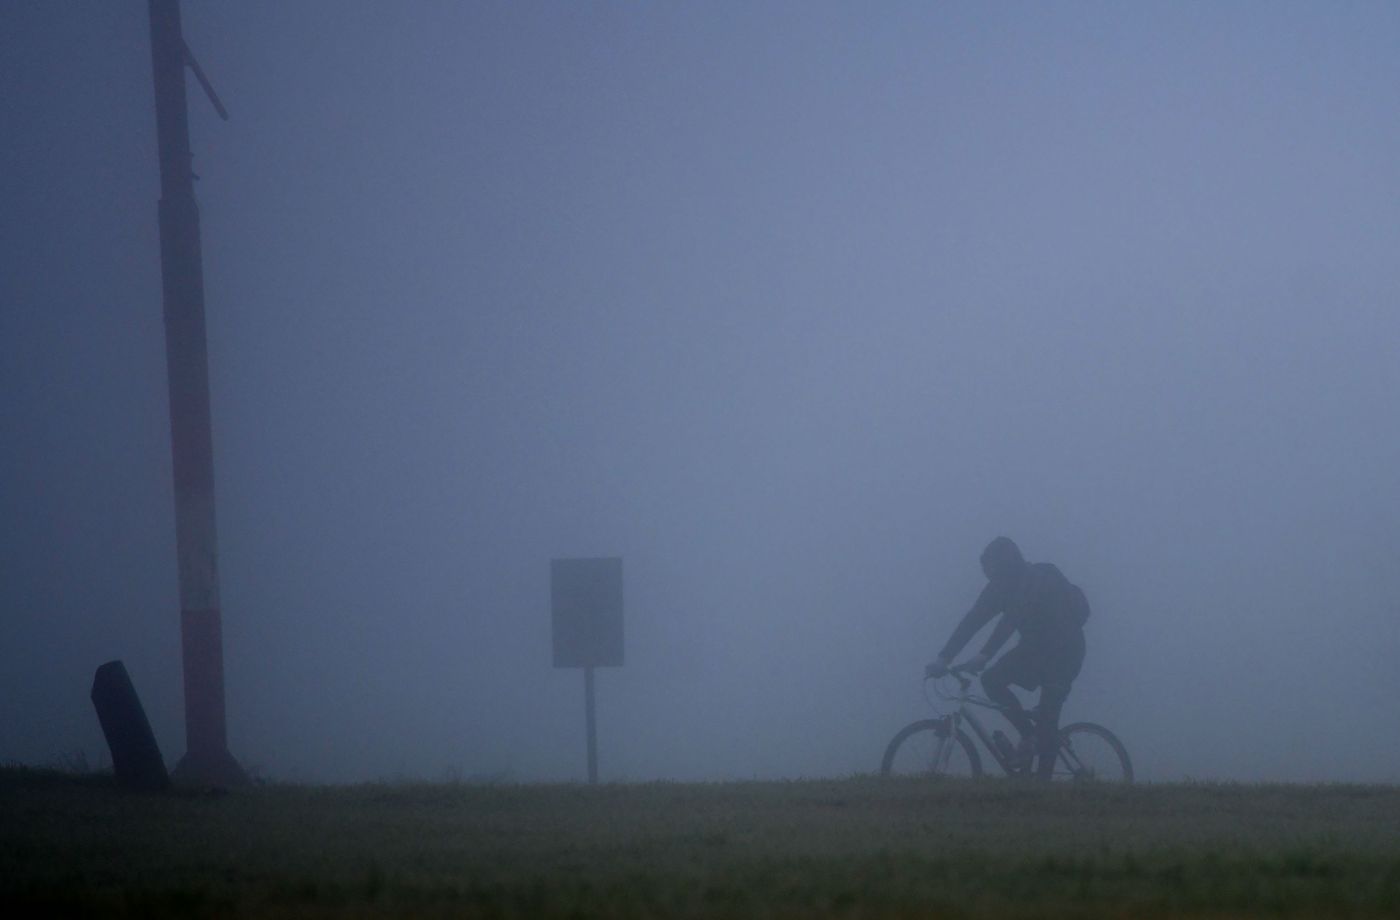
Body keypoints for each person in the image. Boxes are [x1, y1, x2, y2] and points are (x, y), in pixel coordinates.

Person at [925, 537, 1090, 780]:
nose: (991, 579)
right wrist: (943, 658)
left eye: (994, 571)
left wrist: (983, 655)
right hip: (1035, 649)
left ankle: (1042, 786)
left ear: (1008, 565)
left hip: (1065, 651)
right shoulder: (998, 587)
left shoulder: (1035, 579)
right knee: (992, 680)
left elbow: (1010, 620)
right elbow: (972, 621)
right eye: (988, 573)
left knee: (1048, 719)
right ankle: (1029, 735)